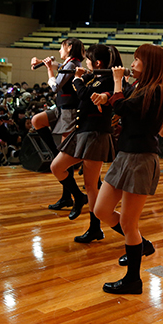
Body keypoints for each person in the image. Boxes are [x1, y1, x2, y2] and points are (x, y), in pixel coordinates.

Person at [92, 44, 163, 295]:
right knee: (101, 209)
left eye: (137, 60)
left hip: (141, 157)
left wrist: (116, 83)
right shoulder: (141, 86)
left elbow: (124, 107)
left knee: (128, 222)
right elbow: (123, 100)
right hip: (125, 154)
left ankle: (133, 280)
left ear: (150, 64)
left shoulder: (157, 90)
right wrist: (106, 96)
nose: (132, 64)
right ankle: (141, 244)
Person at [49, 44, 121, 241]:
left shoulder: (108, 80)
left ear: (97, 63)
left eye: (88, 59)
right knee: (56, 167)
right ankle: (77, 196)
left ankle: (95, 228)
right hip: (82, 131)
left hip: (96, 134)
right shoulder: (95, 77)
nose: (85, 62)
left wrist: (78, 79)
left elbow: (84, 95)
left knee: (91, 184)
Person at [30, 38, 85, 210]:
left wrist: (48, 70)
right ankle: (55, 153)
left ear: (69, 47)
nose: (60, 50)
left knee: (64, 160)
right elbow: (59, 66)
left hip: (69, 112)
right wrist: (42, 62)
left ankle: (70, 196)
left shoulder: (73, 64)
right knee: (37, 120)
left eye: (61, 47)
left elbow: (55, 86)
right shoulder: (70, 63)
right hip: (61, 108)